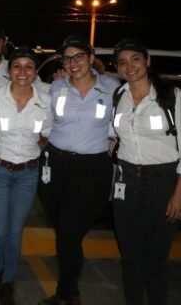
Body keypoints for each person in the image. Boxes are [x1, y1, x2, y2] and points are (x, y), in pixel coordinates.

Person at [37, 34, 119, 305]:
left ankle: (66, 294)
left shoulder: (113, 89)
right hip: (55, 165)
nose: (73, 63)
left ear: (91, 58)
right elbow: (44, 119)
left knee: (70, 233)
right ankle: (69, 290)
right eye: (67, 59)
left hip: (91, 169)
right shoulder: (56, 87)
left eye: (79, 57)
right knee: (63, 231)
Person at [111, 38, 181, 305]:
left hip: (163, 181)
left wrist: (178, 194)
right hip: (126, 180)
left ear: (147, 60)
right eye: (122, 62)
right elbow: (113, 137)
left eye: (135, 59)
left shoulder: (171, 97)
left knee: (156, 256)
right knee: (130, 256)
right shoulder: (119, 96)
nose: (129, 66)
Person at [0, 47, 50, 305]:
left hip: (27, 174)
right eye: (17, 66)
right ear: (9, 70)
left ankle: (8, 281)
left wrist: (31, 150)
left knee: (14, 232)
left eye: (29, 66)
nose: (23, 71)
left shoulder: (45, 100)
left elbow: (46, 134)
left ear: (35, 71)